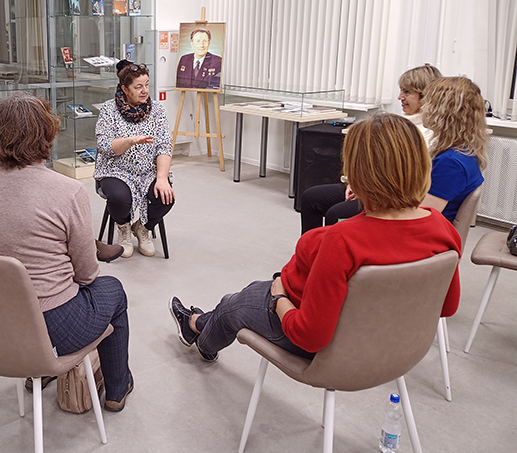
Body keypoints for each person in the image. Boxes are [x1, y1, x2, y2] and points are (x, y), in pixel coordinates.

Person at [170, 113, 462, 362]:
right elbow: (447, 306)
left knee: (233, 304)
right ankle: (198, 324)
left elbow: (310, 337)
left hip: (322, 338)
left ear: (357, 171)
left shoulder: (339, 240)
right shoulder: (442, 229)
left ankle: (198, 332)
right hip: (383, 340)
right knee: (242, 298)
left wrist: (279, 298)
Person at [0, 93, 133, 411]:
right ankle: (116, 388)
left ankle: (38, 373)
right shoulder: (68, 190)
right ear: (47, 134)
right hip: (53, 327)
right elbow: (87, 274)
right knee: (113, 290)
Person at [299, 64, 443, 233]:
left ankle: (334, 246)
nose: (400, 97)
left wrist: (364, 190)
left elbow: (403, 179)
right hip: (368, 186)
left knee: (336, 214)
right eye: (401, 90)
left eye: (407, 92)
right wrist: (353, 183)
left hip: (387, 195)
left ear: (425, 95)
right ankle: (310, 247)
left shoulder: (427, 135)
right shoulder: (399, 123)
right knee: (311, 197)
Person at [95, 60, 175, 258]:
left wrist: (162, 178)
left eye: (147, 84)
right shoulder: (109, 110)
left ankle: (143, 228)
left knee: (165, 197)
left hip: (148, 171)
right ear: (125, 89)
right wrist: (129, 141)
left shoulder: (157, 110)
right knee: (119, 198)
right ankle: (123, 227)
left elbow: (165, 145)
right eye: (138, 87)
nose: (145, 90)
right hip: (115, 170)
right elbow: (104, 145)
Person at [420, 76, 487, 223]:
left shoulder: (451, 163)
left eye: (428, 102)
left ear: (444, 111)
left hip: (432, 231)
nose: (422, 108)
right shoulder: (463, 153)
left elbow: (423, 216)